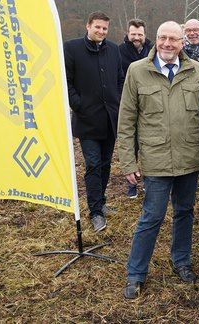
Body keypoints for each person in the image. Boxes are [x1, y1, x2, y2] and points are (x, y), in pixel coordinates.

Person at [118, 21, 199, 299]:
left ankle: (181, 261)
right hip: (156, 159)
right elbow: (126, 122)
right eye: (163, 38)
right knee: (152, 216)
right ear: (156, 40)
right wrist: (128, 162)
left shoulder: (195, 71)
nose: (168, 44)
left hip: (189, 158)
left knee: (185, 212)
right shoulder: (137, 72)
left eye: (174, 39)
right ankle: (135, 273)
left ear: (183, 42)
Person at [64, 11, 124, 232]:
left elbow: (119, 79)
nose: (101, 31)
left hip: (110, 120)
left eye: (105, 29)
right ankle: (95, 212)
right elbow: (66, 82)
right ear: (88, 25)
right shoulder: (72, 48)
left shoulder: (114, 50)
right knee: (93, 164)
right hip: (87, 121)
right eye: (97, 27)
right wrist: (79, 104)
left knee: (106, 164)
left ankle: (102, 202)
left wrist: (116, 102)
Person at [118, 18, 153, 198]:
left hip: (149, 106)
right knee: (130, 146)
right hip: (130, 104)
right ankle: (131, 183)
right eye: (133, 34)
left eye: (140, 34)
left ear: (144, 35)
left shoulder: (152, 50)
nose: (136, 37)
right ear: (128, 33)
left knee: (148, 146)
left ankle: (148, 180)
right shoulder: (119, 51)